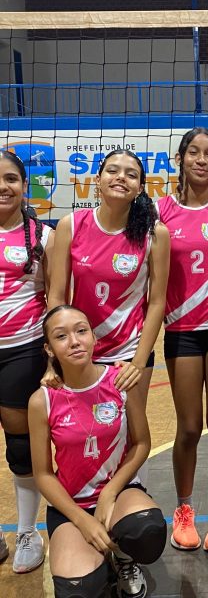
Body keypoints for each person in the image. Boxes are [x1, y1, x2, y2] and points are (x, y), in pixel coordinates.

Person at [47, 149, 170, 486]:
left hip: (128, 352)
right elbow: (56, 297)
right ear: (98, 180)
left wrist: (139, 361)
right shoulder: (72, 225)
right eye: (113, 171)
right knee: (83, 432)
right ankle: (85, 502)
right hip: (80, 350)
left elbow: (157, 302)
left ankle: (135, 502)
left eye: (131, 174)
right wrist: (54, 357)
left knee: (132, 435)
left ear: (140, 187)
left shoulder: (154, 233)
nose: (121, 178)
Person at [28, 305, 167, 598]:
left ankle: (125, 557)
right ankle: (101, 563)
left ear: (93, 337)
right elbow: (42, 475)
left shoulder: (121, 381)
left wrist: (109, 493)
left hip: (120, 493)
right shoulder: (42, 400)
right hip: (71, 505)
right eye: (61, 336)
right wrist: (83, 521)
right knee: (78, 591)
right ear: (49, 349)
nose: (74, 341)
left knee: (147, 533)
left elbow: (142, 443)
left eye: (81, 331)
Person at [156, 127, 208, 552]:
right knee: (189, 428)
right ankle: (184, 510)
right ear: (181, 159)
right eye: (194, 152)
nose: (202, 160)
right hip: (181, 332)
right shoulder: (160, 211)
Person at [0, 150, 54, 573]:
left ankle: (27, 532)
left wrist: (53, 361)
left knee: (21, 447)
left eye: (11, 179)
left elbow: (57, 298)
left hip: (22, 350)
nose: (3, 187)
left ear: (23, 185)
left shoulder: (43, 236)